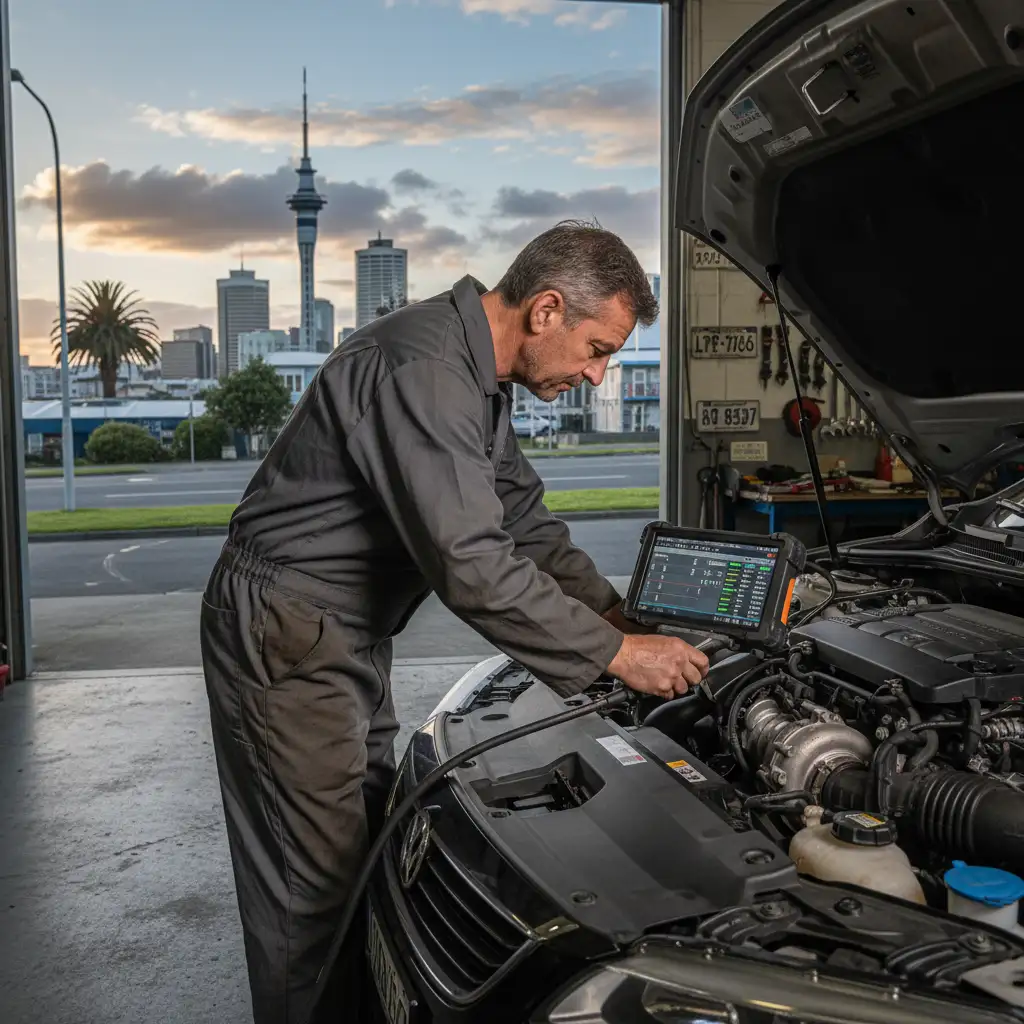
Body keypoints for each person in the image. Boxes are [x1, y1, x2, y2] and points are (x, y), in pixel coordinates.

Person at [199, 220, 711, 1023]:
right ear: (546, 311)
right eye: (598, 347)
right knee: (311, 888)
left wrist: (620, 616)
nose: (597, 373)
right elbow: (473, 565)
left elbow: (525, 525)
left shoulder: (477, 375)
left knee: (356, 846)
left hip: (339, 630)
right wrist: (617, 656)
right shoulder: (428, 368)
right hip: (289, 629)